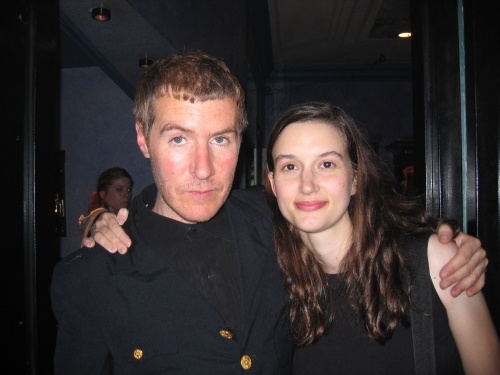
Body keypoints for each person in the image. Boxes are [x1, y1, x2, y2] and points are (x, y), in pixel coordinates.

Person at [52, 52, 487, 375]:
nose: (203, 170)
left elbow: (360, 225)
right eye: (179, 140)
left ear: (241, 142)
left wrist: (445, 242)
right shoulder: (89, 277)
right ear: (144, 140)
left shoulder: (274, 218)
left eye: (220, 139)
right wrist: (97, 218)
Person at [263, 102, 500, 374]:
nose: (307, 185)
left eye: (326, 164)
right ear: (272, 182)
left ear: (355, 179)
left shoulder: (435, 260)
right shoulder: (268, 274)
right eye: (290, 167)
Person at [78, 167, 133, 238]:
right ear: (103, 194)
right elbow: (97, 219)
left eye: (129, 189)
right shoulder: (97, 216)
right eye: (119, 189)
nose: (127, 194)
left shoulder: (131, 216)